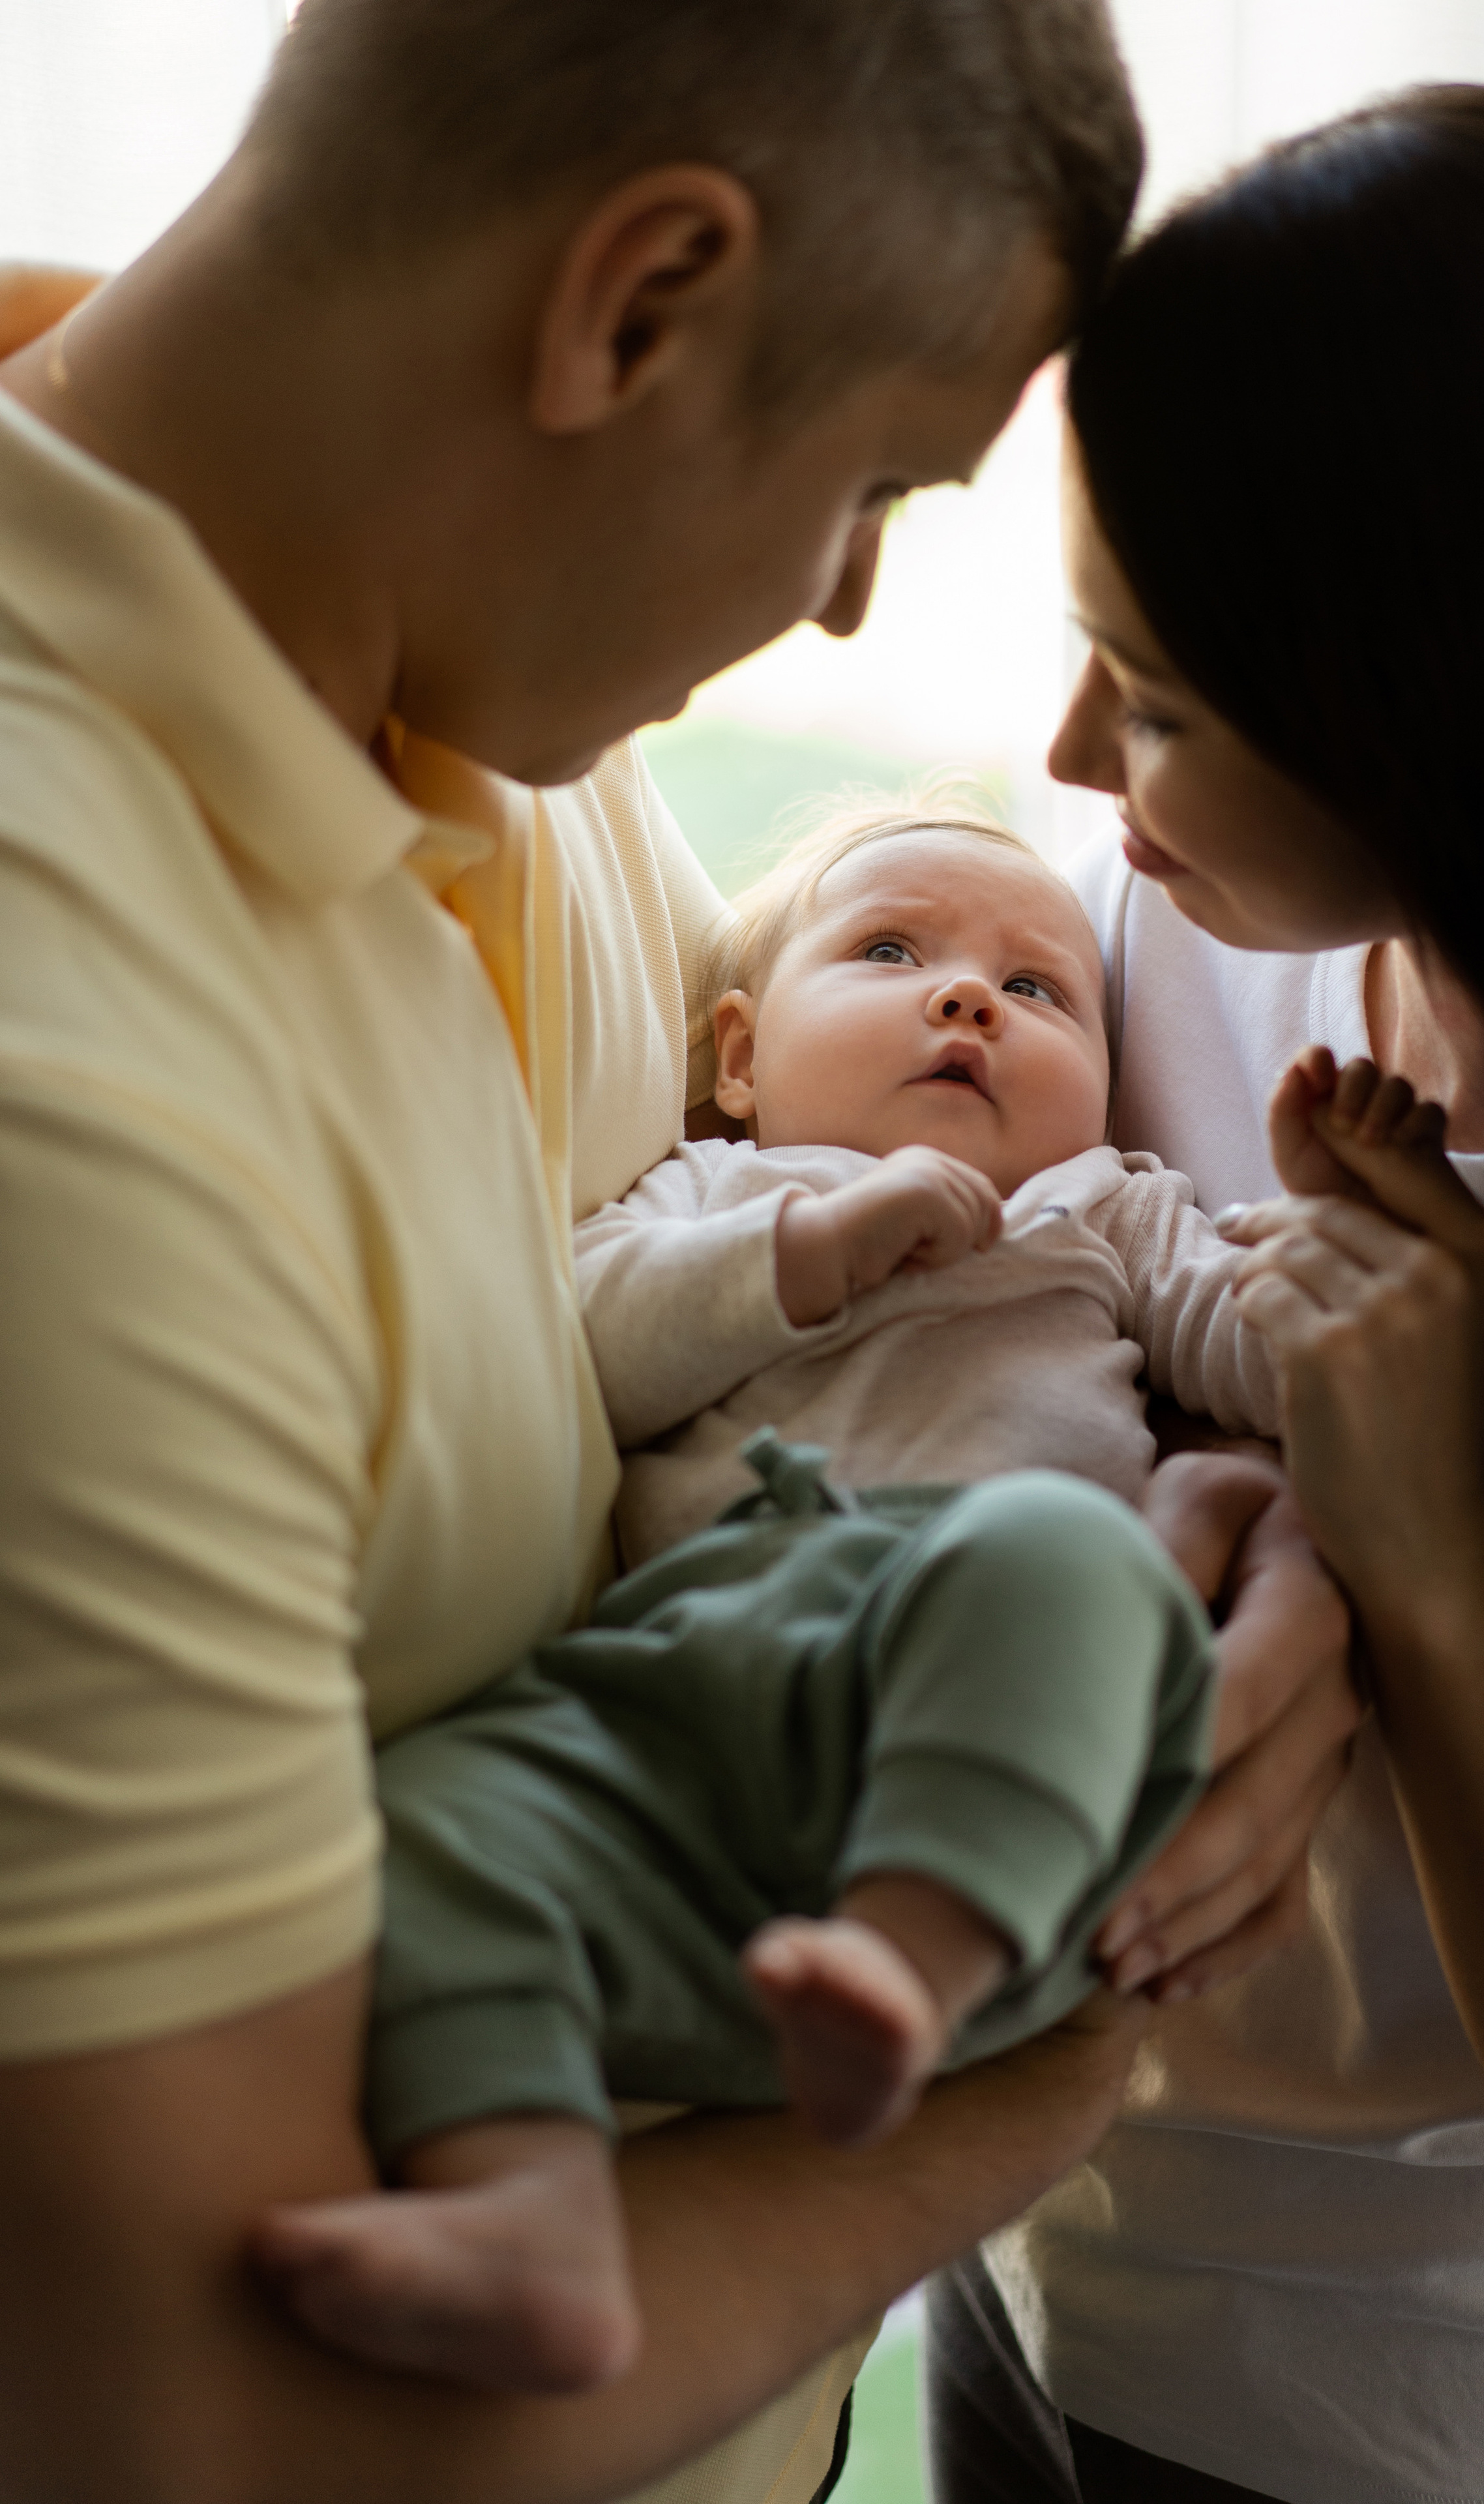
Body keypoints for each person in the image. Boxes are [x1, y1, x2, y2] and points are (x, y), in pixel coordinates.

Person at [0, 7, 1361, 2500]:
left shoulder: (491, 703)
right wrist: (1057, 2060)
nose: (842, 616)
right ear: (634, 313)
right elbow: (200, 2425)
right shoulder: (66, 1093)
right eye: (871, 488)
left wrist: (1269, 1567)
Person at [925, 80, 1484, 2504]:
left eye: (1153, 700)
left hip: (1390, 2425)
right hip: (1022, 2259)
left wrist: (1425, 1556)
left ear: (1440, 709)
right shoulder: (1192, 921)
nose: (1067, 758)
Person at [248, 803, 1296, 2395]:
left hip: (999, 1736)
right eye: (891, 953)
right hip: (693, 1708)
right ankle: (521, 2201)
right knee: (434, 1823)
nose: (966, 1001)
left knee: (1076, 1557)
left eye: (1037, 990)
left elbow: (1270, 1350)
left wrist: (1339, 1251)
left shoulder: (1101, 1201)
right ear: (739, 1056)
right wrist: (807, 1248)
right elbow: (582, 1344)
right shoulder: (713, 1189)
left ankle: (910, 1952)